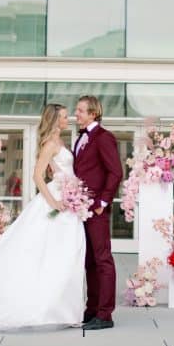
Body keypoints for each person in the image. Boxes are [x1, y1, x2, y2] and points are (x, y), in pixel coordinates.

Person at [0, 103, 86, 331]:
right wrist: (54, 201)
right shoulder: (50, 144)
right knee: (52, 252)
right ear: (55, 119)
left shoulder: (61, 141)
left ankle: (65, 308)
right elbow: (38, 176)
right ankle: (50, 308)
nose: (69, 120)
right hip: (57, 199)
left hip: (69, 199)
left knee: (67, 253)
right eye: (65, 117)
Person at [73, 95, 122, 330]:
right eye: (77, 110)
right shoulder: (80, 138)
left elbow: (116, 172)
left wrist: (103, 200)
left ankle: (105, 315)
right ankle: (92, 310)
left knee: (103, 260)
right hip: (81, 208)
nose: (77, 114)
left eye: (81, 111)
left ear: (93, 113)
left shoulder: (104, 137)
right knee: (89, 261)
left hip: (97, 209)